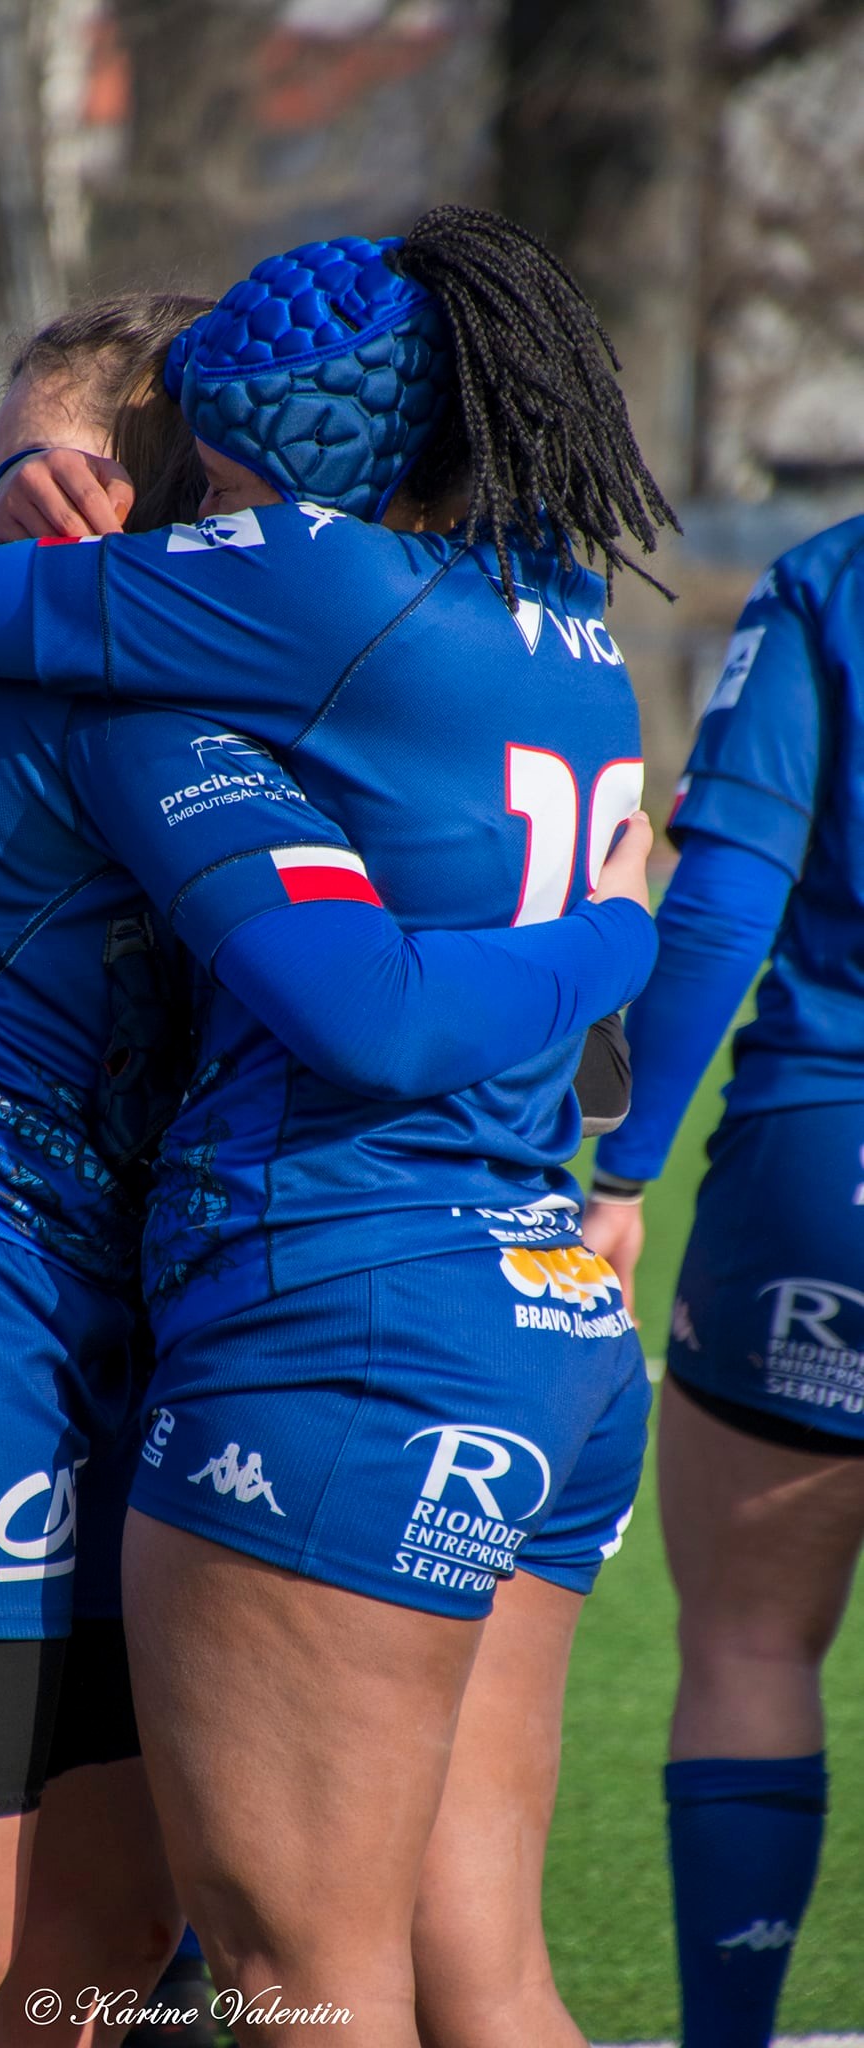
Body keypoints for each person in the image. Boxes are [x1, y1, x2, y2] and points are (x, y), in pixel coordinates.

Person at [0, 278, 655, 2048]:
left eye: (56, 470)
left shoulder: (247, 671)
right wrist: (613, 931)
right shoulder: (138, 699)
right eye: (14, 478)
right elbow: (375, 1009)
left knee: (101, 1940)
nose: (33, 515)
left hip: (89, 1296)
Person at [584, 514, 864, 2048]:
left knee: (752, 1641)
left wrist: (617, 1173)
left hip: (825, 1169)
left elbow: (716, 906)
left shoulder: (830, 582)